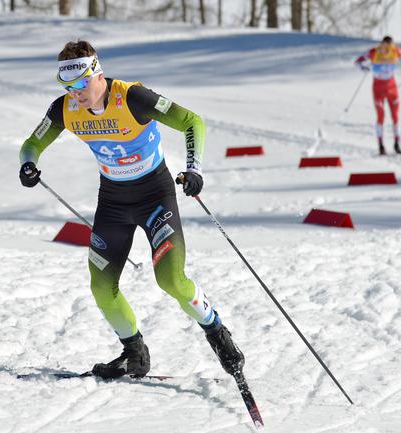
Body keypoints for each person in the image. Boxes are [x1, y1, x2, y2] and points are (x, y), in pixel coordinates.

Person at [19, 40, 244, 379]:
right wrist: (28, 164)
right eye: (67, 86)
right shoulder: (64, 109)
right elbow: (31, 144)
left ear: (98, 74)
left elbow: (192, 121)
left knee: (170, 280)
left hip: (155, 197)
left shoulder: (133, 97)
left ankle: (215, 330)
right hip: (112, 203)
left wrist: (194, 169)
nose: (75, 93)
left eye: (80, 83)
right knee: (100, 285)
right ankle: (134, 352)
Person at [355, 36, 401, 155]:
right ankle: (381, 145)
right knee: (381, 116)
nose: (386, 50)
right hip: (379, 88)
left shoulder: (394, 50)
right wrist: (363, 67)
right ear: (382, 44)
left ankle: (396, 144)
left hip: (391, 88)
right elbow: (357, 62)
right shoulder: (374, 52)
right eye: (385, 47)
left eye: (389, 47)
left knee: (395, 115)